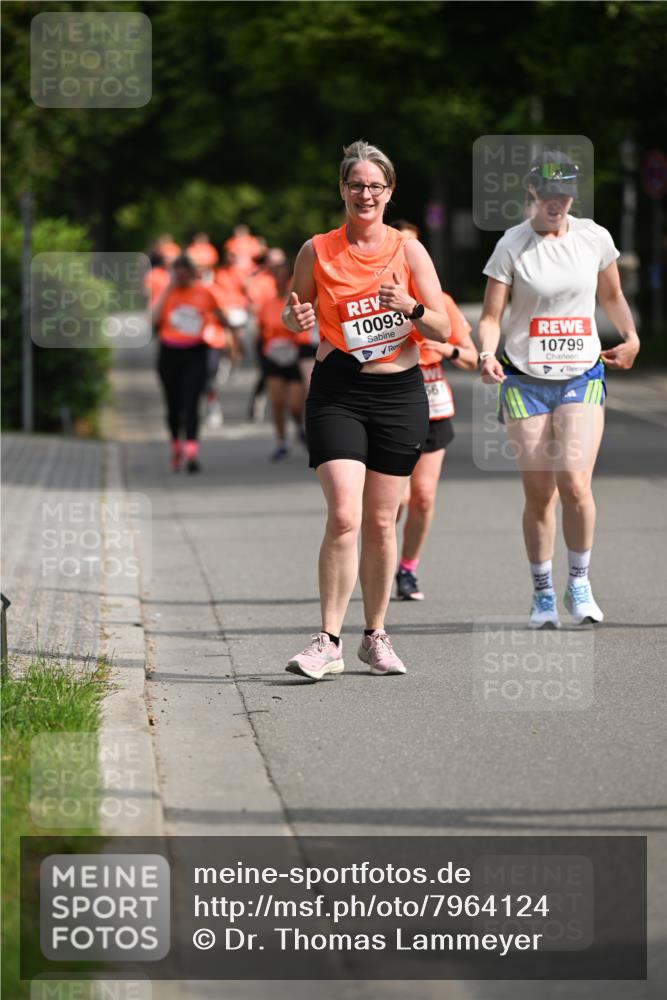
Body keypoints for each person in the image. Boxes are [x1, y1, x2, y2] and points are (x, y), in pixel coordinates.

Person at [282, 140, 450, 681]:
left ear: (390, 191)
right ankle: (327, 639)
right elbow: (294, 315)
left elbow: (443, 328)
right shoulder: (317, 250)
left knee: (381, 521)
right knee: (345, 514)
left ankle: (374, 635)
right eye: (356, 185)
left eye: (375, 186)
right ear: (342, 190)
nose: (365, 194)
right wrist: (294, 317)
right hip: (338, 391)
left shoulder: (410, 251)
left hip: (400, 393)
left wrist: (412, 308)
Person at [478, 150, 640, 628]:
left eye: (565, 191)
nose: (557, 201)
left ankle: (581, 584)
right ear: (532, 192)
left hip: (581, 375)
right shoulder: (512, 245)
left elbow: (610, 295)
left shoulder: (594, 238)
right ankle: (543, 592)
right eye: (547, 192)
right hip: (524, 382)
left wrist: (630, 337)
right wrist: (487, 355)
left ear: (574, 192)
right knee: (540, 493)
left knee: (575, 483)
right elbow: (491, 317)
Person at [391, 222, 479, 600]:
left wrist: (450, 350)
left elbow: (473, 357)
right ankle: (376, 552)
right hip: (390, 405)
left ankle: (407, 568)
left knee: (423, 497)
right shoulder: (376, 298)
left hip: (434, 406)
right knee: (398, 500)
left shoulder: (442, 302)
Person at [151, 255, 228, 472]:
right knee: (173, 405)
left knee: (191, 402)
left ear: (193, 273)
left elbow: (221, 316)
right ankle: (176, 444)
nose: (182, 278)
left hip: (195, 352)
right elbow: (153, 319)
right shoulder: (168, 293)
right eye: (178, 274)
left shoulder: (204, 293)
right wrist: (166, 292)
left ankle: (192, 451)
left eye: (185, 273)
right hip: (169, 353)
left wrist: (227, 332)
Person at [257, 259, 305, 460]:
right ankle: (281, 441)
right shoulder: (267, 304)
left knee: (295, 405)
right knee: (276, 401)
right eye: (277, 277)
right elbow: (260, 331)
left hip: (294, 356)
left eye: (284, 277)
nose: (280, 281)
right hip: (273, 356)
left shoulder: (297, 302)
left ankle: (299, 427)